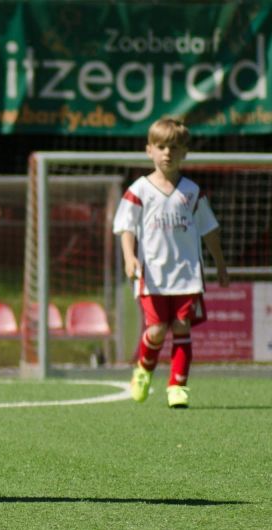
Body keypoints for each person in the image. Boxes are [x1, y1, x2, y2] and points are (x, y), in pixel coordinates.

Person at [113, 117, 229, 409]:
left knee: (181, 327)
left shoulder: (192, 191)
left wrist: (220, 264)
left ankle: (178, 387)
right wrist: (129, 257)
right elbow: (126, 227)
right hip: (152, 275)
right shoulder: (139, 190)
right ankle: (144, 369)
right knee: (155, 331)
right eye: (161, 146)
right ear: (149, 150)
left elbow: (209, 230)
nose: (167, 153)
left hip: (187, 275)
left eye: (174, 147)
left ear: (184, 153)